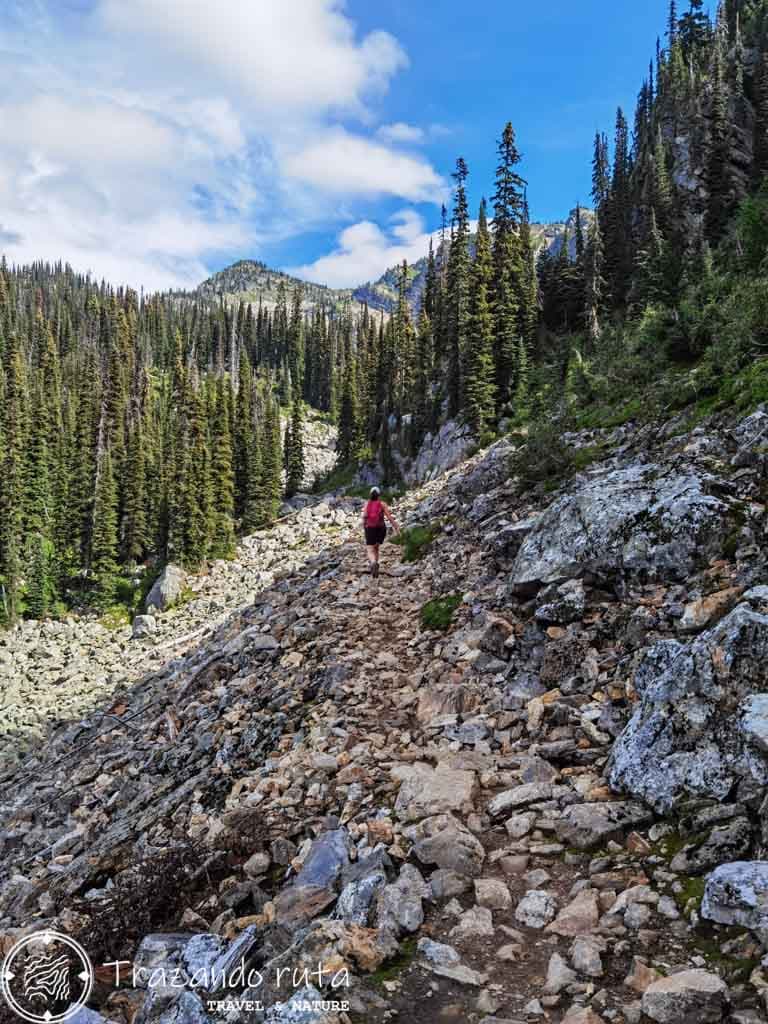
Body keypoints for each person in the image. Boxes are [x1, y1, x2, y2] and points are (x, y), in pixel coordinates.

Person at [362, 486, 399, 577]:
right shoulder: (383, 504)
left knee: (370, 549)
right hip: (381, 528)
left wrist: (364, 527)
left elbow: (364, 517)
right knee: (376, 548)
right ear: (379, 495)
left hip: (370, 528)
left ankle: (373, 562)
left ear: (370, 494)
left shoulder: (367, 504)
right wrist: (396, 526)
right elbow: (389, 517)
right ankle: (376, 565)